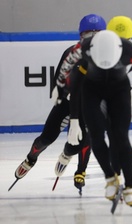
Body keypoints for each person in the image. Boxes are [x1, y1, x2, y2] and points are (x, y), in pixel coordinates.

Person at [58, 30, 132, 207]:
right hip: (92, 90)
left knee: (121, 137)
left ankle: (130, 186)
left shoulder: (130, 50)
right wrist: (62, 91)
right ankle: (110, 177)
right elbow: (65, 69)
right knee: (95, 135)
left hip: (119, 90)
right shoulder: (83, 47)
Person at [13, 14, 106, 191]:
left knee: (84, 138)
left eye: (97, 34)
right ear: (81, 35)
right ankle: (31, 158)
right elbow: (58, 79)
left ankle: (80, 169)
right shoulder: (72, 52)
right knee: (47, 138)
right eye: (88, 34)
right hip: (67, 102)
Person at [75, 15, 132, 184]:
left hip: (113, 93)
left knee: (109, 135)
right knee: (106, 135)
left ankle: (114, 174)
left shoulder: (124, 49)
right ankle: (97, 171)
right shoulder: (109, 49)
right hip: (107, 94)